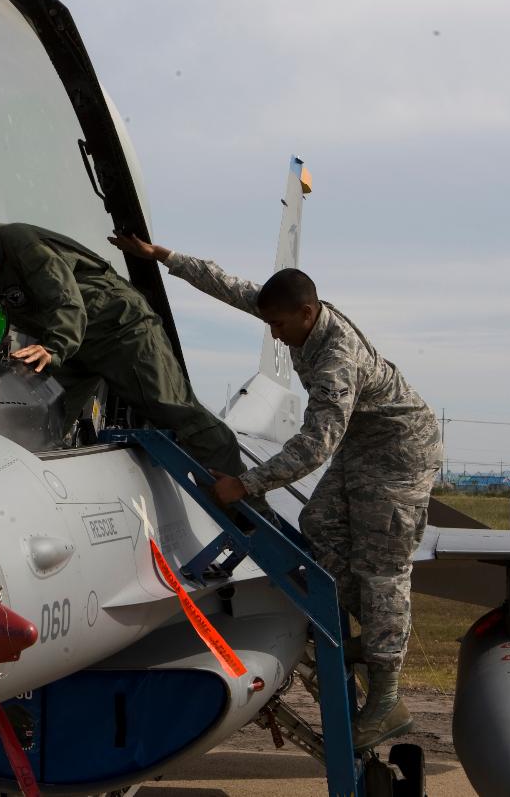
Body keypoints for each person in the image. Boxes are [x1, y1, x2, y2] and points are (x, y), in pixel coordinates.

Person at [110, 231, 443, 750]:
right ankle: (375, 640)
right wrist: (165, 258)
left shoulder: (337, 359)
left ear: (307, 312)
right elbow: (236, 288)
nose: (277, 335)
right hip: (363, 444)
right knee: (320, 526)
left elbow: (315, 445)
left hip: (399, 454)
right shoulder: (295, 314)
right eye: (271, 323)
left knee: (382, 570)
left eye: (282, 325)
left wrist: (245, 484)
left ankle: (385, 699)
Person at [0, 218, 253, 486]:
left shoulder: (22, 244)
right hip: (74, 346)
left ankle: (239, 497)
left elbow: (65, 300)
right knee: (41, 416)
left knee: (173, 408)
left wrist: (53, 348)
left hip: (122, 329)